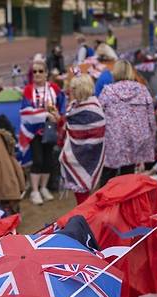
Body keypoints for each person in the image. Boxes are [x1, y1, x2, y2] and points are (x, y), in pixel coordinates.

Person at [98, 61, 156, 187]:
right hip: (137, 140)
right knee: (128, 176)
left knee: (107, 175)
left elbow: (99, 115)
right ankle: (125, 203)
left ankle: (104, 203)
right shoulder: (142, 90)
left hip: (114, 140)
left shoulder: (107, 91)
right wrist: (151, 138)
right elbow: (151, 117)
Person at [18, 59, 65, 205]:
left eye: (40, 71)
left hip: (50, 130)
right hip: (33, 131)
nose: (37, 74)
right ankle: (35, 191)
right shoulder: (28, 90)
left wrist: (58, 116)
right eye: (35, 71)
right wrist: (45, 114)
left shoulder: (54, 88)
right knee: (37, 160)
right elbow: (25, 111)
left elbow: (62, 105)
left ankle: (44, 188)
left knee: (48, 160)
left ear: (46, 73)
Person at [60, 74, 106, 205]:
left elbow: (95, 137)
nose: (70, 91)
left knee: (83, 191)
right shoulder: (74, 106)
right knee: (80, 192)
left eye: (73, 88)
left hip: (87, 155)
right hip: (75, 152)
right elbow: (70, 125)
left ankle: (85, 216)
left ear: (80, 89)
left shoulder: (93, 109)